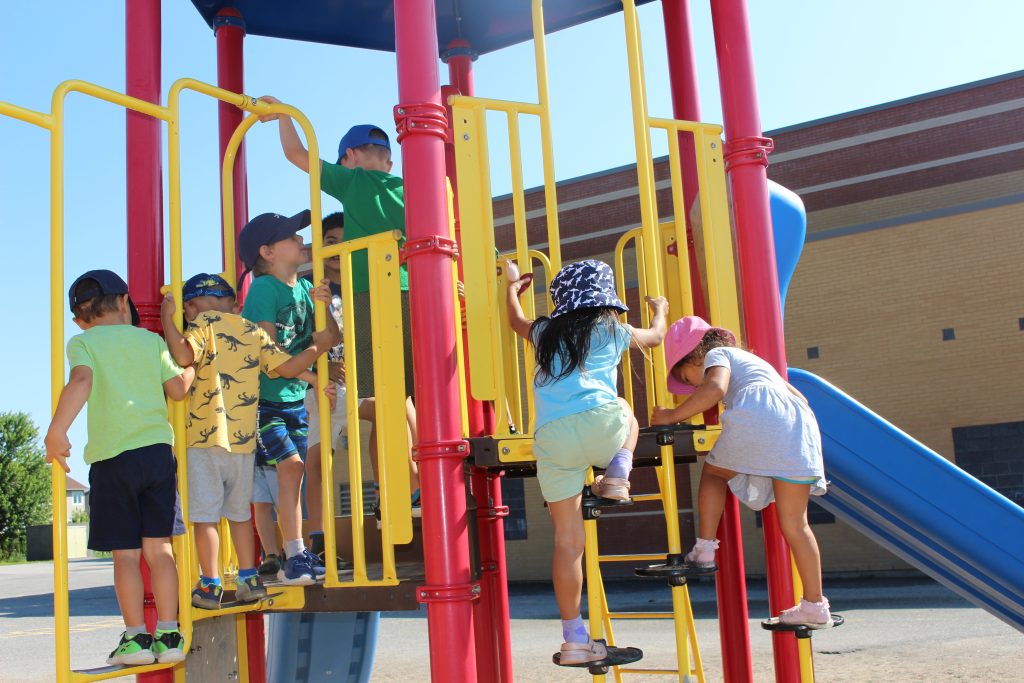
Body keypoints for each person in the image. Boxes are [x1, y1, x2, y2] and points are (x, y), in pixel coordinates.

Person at [257, 98, 420, 518]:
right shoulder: (410, 189)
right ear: (387, 160)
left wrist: (286, 116)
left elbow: (297, 154)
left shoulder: (353, 183)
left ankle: (399, 487)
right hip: (410, 295)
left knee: (383, 398)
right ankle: (414, 479)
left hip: (369, 298)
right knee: (400, 397)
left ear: (349, 157)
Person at [505, 259, 668, 667]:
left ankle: (574, 638)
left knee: (567, 543)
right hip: (602, 425)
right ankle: (618, 472)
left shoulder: (545, 331)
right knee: (627, 413)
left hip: (553, 439)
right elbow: (658, 336)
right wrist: (661, 309)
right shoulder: (613, 328)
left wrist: (510, 288)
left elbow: (516, 320)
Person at [160, 273, 339, 608]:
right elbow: (287, 368)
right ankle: (249, 577)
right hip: (242, 442)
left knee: (206, 517)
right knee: (239, 515)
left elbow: (184, 356)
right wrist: (317, 354)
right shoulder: (250, 330)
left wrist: (167, 322)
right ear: (233, 303)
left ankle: (211, 583)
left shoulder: (202, 325)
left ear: (190, 307)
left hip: (204, 438)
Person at [44, 270, 194, 666]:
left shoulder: (83, 342)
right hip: (158, 456)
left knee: (126, 557)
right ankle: (169, 633)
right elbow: (178, 390)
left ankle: (135, 639)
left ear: (80, 319)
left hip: (113, 460)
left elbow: (81, 381)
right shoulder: (150, 340)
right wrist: (193, 371)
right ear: (125, 302)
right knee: (161, 551)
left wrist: (57, 430)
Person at [650, 316, 831, 627]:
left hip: (763, 414)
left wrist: (672, 416)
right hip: (800, 427)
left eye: (688, 378)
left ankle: (705, 548)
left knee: (713, 474)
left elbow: (715, 388)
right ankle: (815, 605)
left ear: (695, 354)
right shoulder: (759, 366)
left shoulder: (716, 355)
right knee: (796, 524)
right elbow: (799, 399)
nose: (693, 386)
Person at [238, 211, 339, 585]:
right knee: (292, 468)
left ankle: (294, 554)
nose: (301, 240)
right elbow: (273, 359)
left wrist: (324, 304)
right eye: (291, 237)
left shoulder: (302, 289)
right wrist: (314, 362)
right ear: (267, 252)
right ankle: (293, 553)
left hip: (292, 398)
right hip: (263, 401)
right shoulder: (264, 290)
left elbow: (332, 337)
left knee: (291, 477)